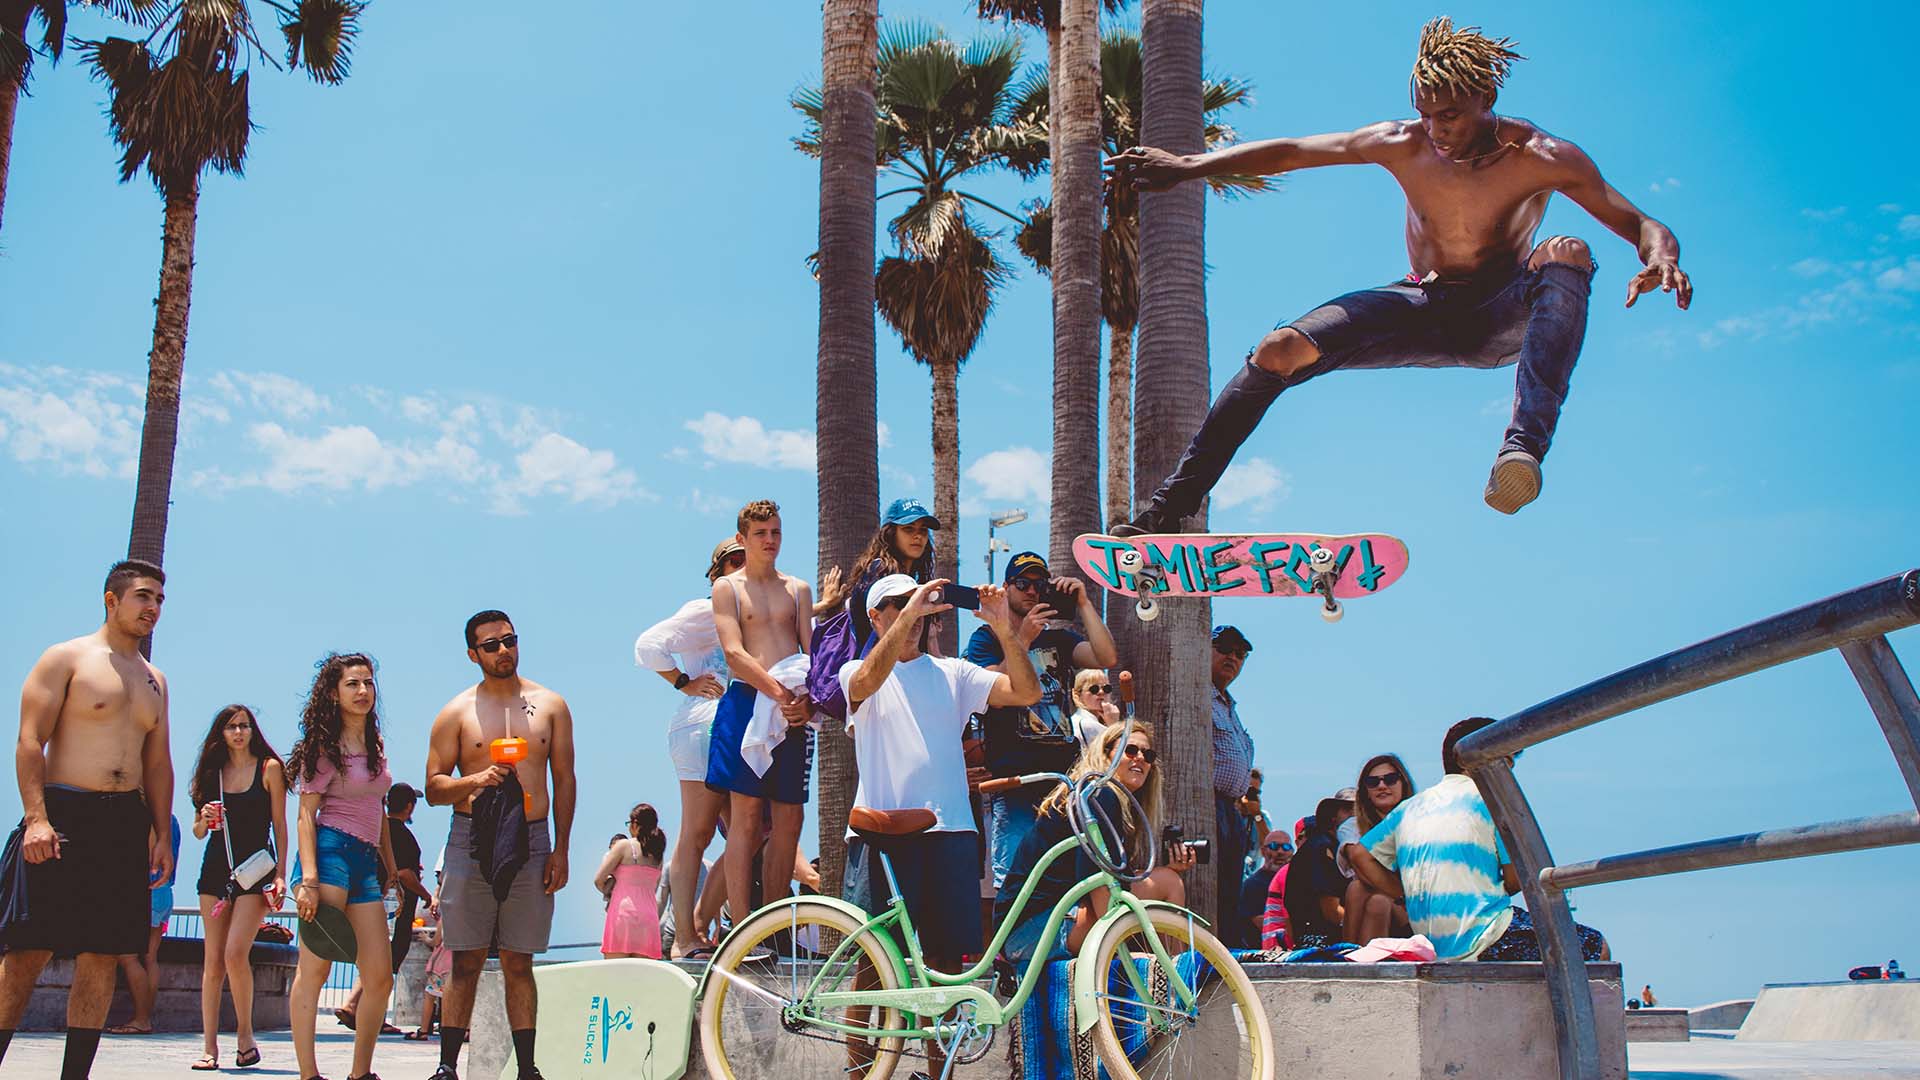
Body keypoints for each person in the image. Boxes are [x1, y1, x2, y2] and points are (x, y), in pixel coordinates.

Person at [1104, 17, 1692, 536]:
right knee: (1278, 349)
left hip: (1500, 314)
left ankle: (1521, 452)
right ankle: (1165, 511)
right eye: (1427, 114)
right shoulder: (1403, 143)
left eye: (1452, 116)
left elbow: (1641, 220)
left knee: (1567, 249)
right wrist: (1188, 165)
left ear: (1486, 96)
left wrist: (1658, 256)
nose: (1437, 130)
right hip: (1421, 305)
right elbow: (1293, 151)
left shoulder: (1540, 155)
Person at [0, 559, 175, 1080]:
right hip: (62, 815)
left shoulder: (156, 680)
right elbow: (30, 740)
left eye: (160, 601)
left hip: (123, 824)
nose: (153, 609)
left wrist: (161, 833)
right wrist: (36, 818)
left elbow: (157, 763)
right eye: (144, 597)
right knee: (27, 953)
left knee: (103, 955)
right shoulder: (66, 658)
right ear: (111, 600)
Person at [426, 609, 578, 1080]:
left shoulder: (550, 704)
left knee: (519, 959)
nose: (502, 650)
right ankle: (447, 1066)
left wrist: (561, 849)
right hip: (472, 837)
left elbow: (564, 780)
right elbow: (432, 788)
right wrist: (475, 779)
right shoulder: (456, 712)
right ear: (473, 654)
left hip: (532, 838)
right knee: (466, 957)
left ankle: (527, 1069)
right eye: (490, 645)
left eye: (509, 640)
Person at [1350, 717, 1607, 962]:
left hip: (1431, 943)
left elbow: (1360, 855)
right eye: (1506, 758)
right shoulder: (1492, 801)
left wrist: (1404, 892)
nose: (1511, 767)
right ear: (1477, 758)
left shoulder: (1409, 808)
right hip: (1486, 938)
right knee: (1596, 947)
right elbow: (1516, 878)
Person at [968, 550, 1118, 890]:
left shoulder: (1060, 640)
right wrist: (1022, 640)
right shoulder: (985, 638)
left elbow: (1106, 656)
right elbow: (991, 688)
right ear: (1006, 589)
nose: (1032, 591)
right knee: (1016, 884)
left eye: (1040, 584)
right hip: (1015, 782)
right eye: (1023, 584)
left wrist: (1083, 603)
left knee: (1065, 882)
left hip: (1061, 783)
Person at [287, 652, 400, 1080]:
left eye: (368, 683)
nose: (363, 691)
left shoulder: (376, 745)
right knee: (315, 968)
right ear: (334, 693)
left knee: (379, 976)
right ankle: (308, 1074)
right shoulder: (323, 747)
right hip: (329, 853)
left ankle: (360, 1073)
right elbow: (304, 816)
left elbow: (379, 807)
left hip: (366, 860)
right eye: (353, 684)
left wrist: (389, 866)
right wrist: (309, 880)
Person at [706, 499, 815, 943]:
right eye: (760, 534)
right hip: (747, 702)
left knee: (790, 819)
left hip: (793, 707)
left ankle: (772, 927)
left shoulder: (798, 589)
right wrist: (777, 692)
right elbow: (733, 651)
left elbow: (811, 652)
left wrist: (806, 704)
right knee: (745, 818)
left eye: (776, 532)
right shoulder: (728, 589)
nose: (770, 541)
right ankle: (742, 926)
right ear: (742, 538)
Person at [998, 722, 1195, 965]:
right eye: (1130, 750)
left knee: (1163, 880)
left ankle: (1168, 968)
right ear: (1106, 754)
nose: (1141, 759)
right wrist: (1118, 947)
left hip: (1029, 931)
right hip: (1032, 933)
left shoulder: (1097, 796)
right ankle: (1177, 972)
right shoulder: (1101, 795)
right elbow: (1096, 881)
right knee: (1168, 882)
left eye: (1148, 754)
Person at [632, 538, 741, 959]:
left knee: (746, 836)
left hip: (726, 727)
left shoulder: (746, 609)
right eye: (732, 560)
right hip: (704, 723)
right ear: (716, 572)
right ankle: (685, 937)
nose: (741, 566)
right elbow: (647, 645)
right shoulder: (705, 609)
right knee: (697, 834)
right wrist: (684, 682)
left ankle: (696, 928)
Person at [185, 703, 288, 1069]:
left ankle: (245, 1036)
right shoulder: (212, 773)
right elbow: (199, 832)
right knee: (212, 961)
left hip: (256, 871)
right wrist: (204, 820)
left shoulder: (269, 769)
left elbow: (280, 825)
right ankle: (209, 1048)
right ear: (221, 733)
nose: (239, 732)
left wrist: (281, 875)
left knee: (234, 954)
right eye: (231, 727)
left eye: (244, 725)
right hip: (216, 872)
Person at [338, 783, 433, 1033]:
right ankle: (372, 1017)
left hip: (369, 904)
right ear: (409, 806)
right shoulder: (402, 836)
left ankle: (353, 1006)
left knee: (374, 960)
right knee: (386, 964)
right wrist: (427, 895)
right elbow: (403, 873)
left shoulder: (375, 830)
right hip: (396, 913)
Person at [813, 497, 941, 653]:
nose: (918, 536)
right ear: (891, 533)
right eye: (908, 529)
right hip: (873, 667)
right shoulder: (881, 571)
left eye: (923, 530)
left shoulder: (909, 578)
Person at [108, 814, 181, 1038]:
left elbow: (143, 858)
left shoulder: (147, 817)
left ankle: (141, 1018)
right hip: (164, 891)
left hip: (145, 890)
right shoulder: (172, 820)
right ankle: (144, 1018)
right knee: (150, 958)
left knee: (127, 956)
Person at [1207, 626, 1260, 928]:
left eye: (1240, 654)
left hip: (1231, 810)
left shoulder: (1229, 705)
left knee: (1229, 891)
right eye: (1224, 647)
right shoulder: (1196, 695)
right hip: (1207, 806)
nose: (1232, 657)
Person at [1342, 754, 1416, 943]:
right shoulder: (1352, 826)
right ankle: (1350, 954)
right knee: (1367, 895)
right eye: (1373, 782)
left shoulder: (1419, 820)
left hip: (1415, 905)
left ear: (1403, 783)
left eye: (1390, 779)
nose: (1382, 786)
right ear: (1365, 790)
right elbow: (1357, 859)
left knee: (1367, 895)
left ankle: (1350, 957)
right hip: (1390, 902)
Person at [594, 804, 666, 959]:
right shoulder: (658, 853)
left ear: (634, 824)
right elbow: (654, 887)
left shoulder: (624, 845)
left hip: (623, 913)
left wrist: (610, 892)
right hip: (649, 917)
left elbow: (599, 879)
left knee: (615, 975)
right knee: (642, 978)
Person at [1283, 795, 1356, 949]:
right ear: (1332, 817)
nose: (1356, 815)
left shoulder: (1328, 847)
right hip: (1320, 945)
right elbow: (1331, 910)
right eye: (1348, 810)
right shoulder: (1321, 849)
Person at [1233, 827, 1292, 950]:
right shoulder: (1252, 885)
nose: (1280, 852)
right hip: (1263, 954)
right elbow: (1263, 924)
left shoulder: (1295, 882)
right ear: (1263, 851)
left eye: (1286, 847)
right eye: (1274, 846)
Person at [1068, 669, 1119, 748]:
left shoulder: (1082, 720)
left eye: (1106, 688)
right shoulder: (1086, 724)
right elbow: (1117, 752)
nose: (1101, 692)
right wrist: (1114, 725)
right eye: (1094, 689)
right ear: (1078, 694)